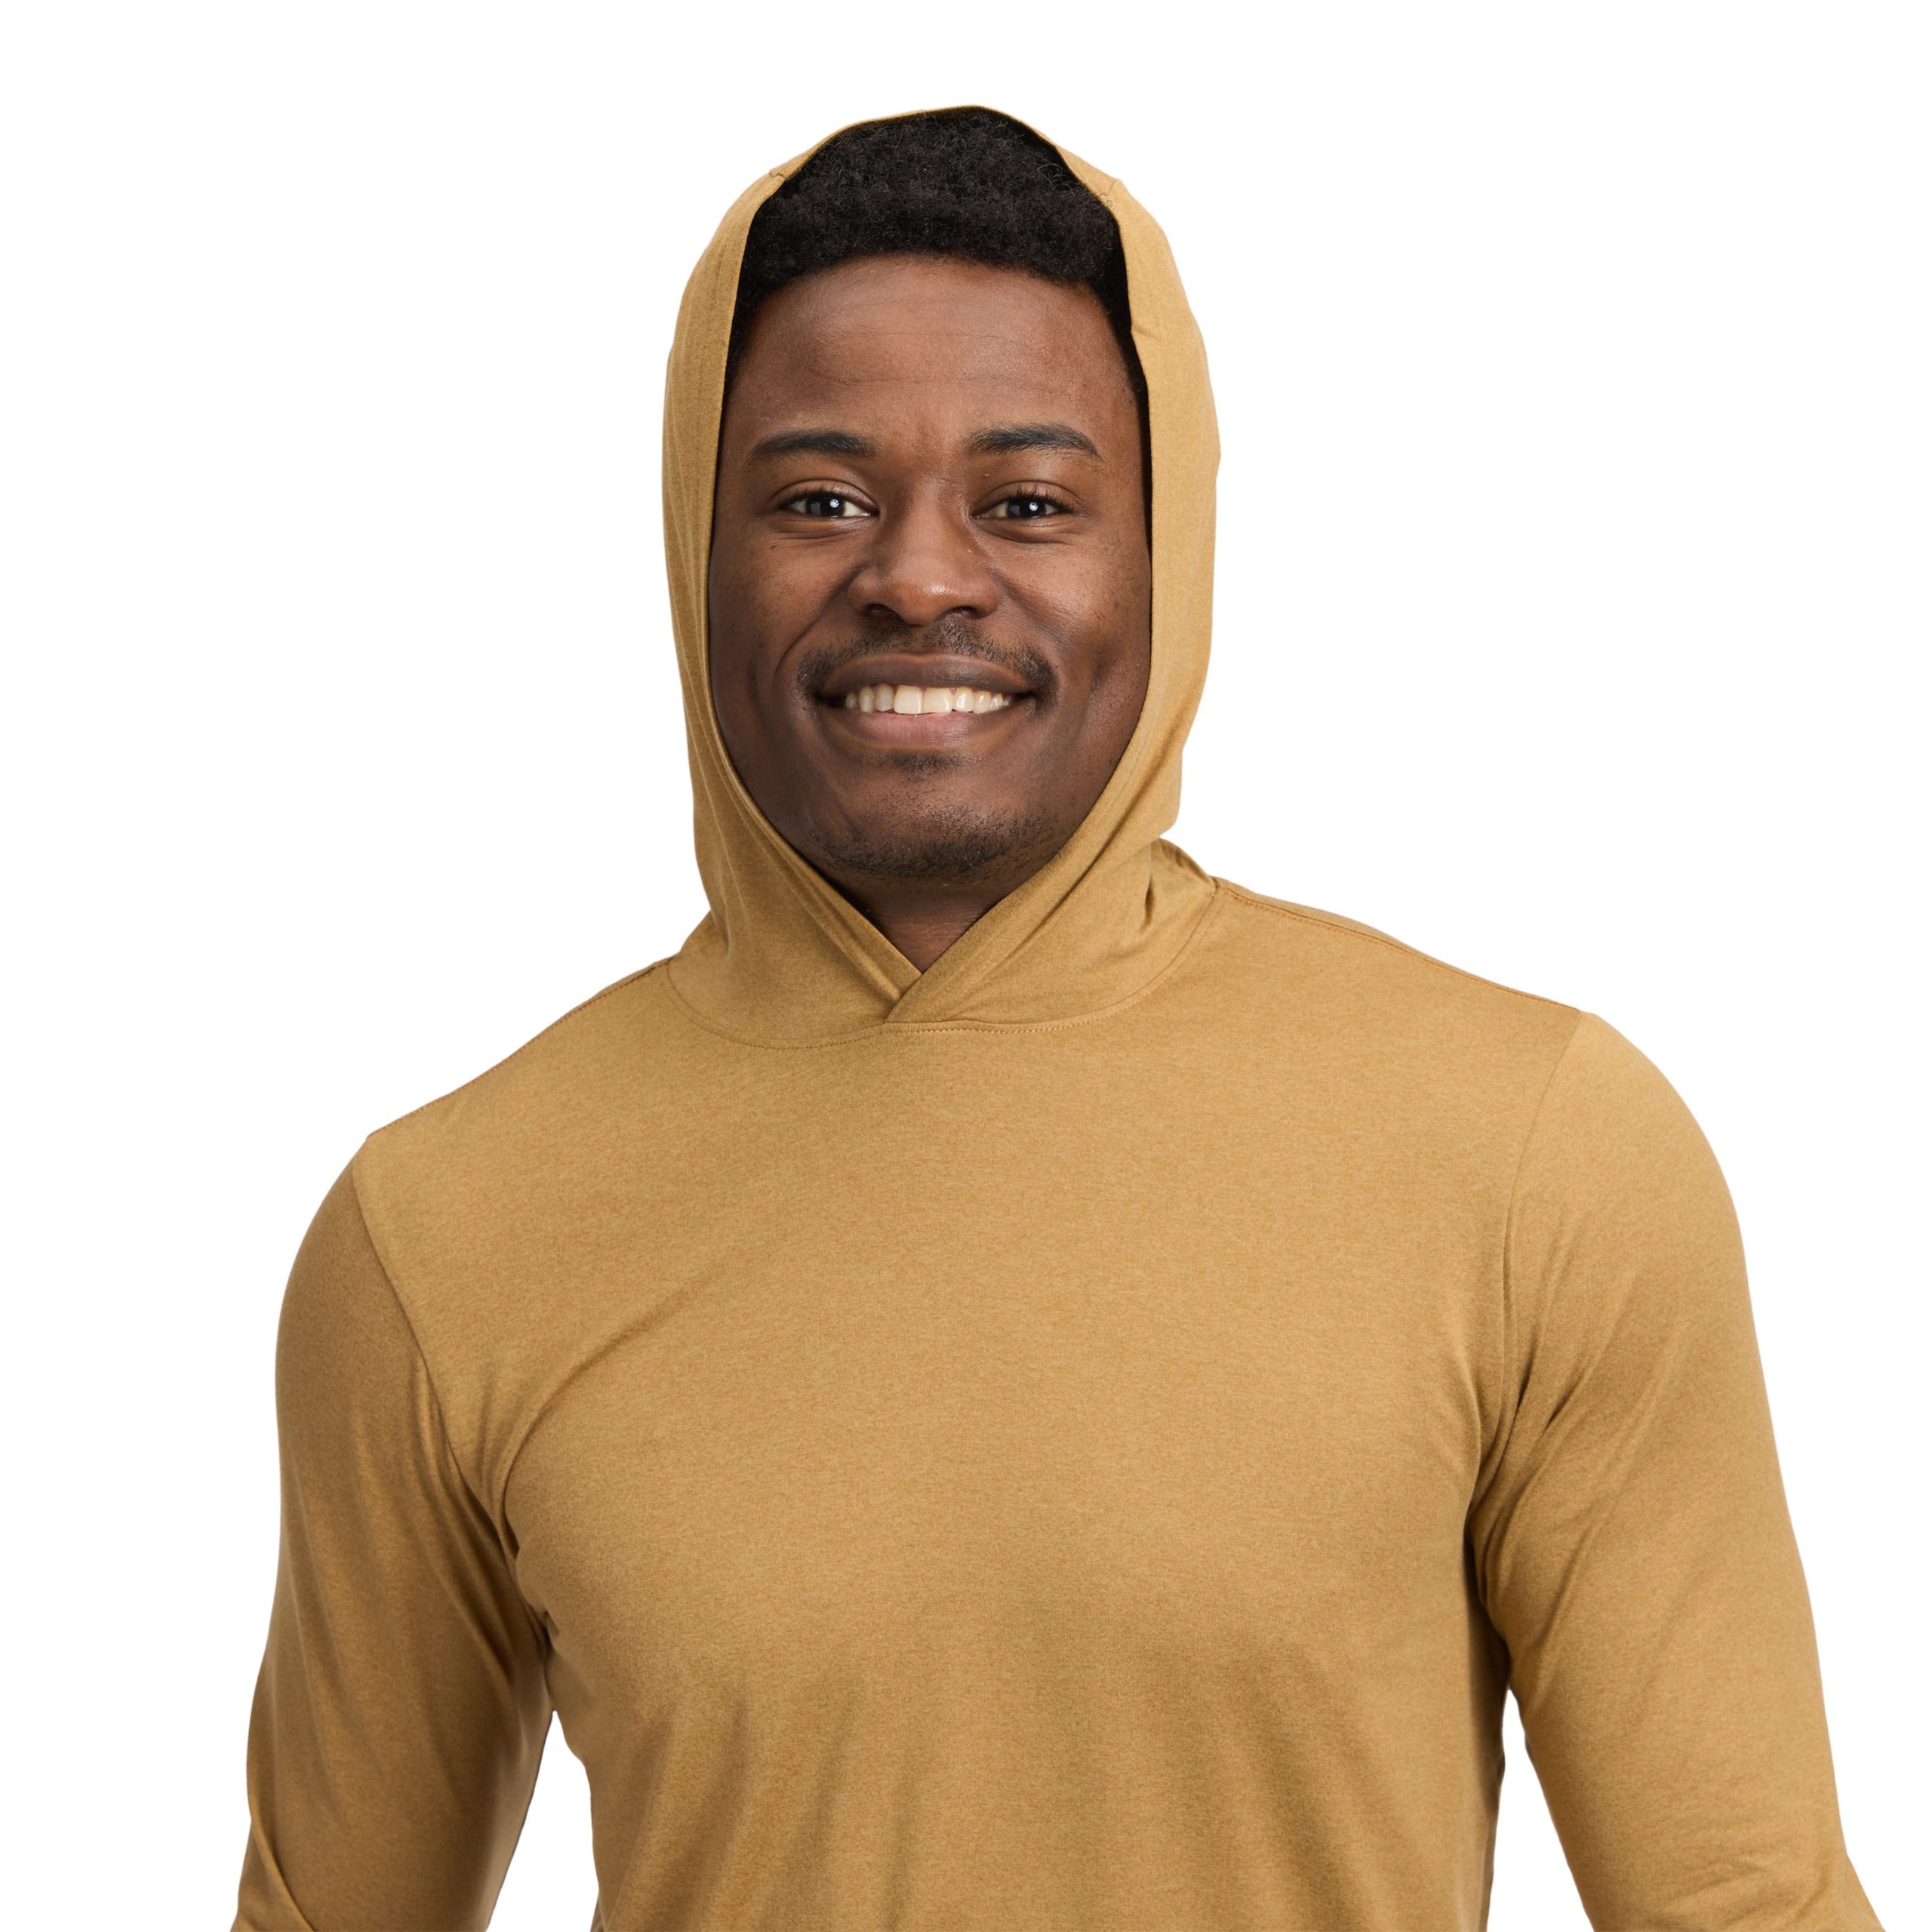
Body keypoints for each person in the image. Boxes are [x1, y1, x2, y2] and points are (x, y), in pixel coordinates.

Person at [232, 106, 1883, 1931]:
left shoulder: (1532, 1153)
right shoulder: (442, 1231)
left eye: (1025, 501)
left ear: (1165, 554)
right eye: (818, 499)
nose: (919, 575)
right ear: (691, 550)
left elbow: (1745, 1905)